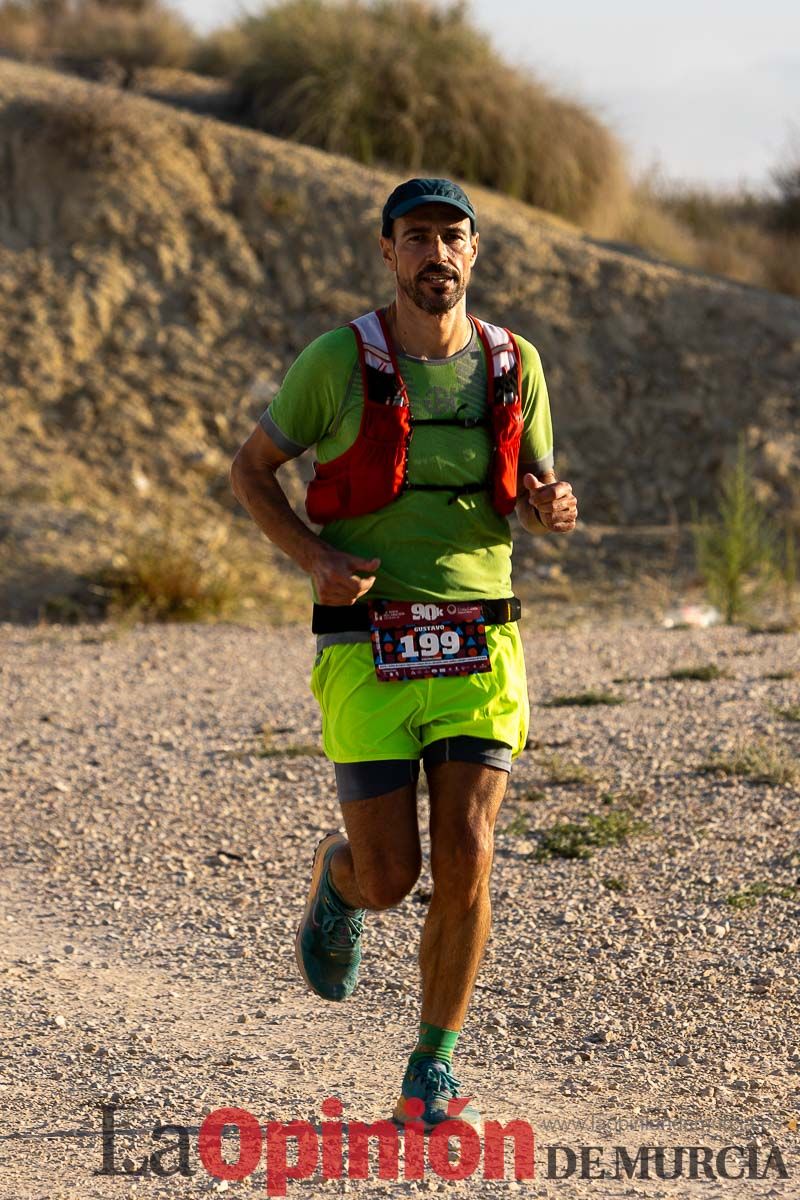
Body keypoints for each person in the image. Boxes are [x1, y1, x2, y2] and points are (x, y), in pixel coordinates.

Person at [230, 177, 578, 1132]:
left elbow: (542, 482)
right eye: (416, 237)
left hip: (480, 638)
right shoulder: (337, 361)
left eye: (451, 237)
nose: (436, 253)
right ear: (388, 251)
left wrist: (552, 504)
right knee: (393, 879)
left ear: (474, 252)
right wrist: (312, 555)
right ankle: (338, 883)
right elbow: (251, 469)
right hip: (365, 640)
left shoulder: (515, 362)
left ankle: (432, 1066)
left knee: (469, 851)